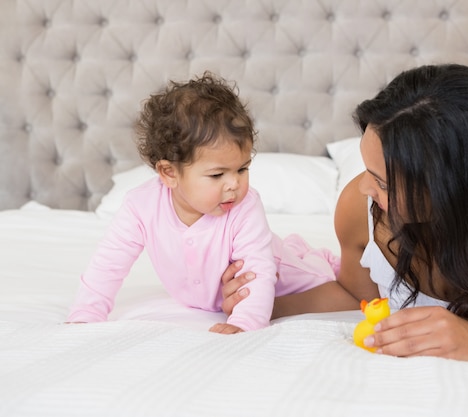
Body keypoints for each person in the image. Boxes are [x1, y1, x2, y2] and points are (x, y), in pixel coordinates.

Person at [219, 63, 468, 359]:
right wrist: (264, 300)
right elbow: (355, 295)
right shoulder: (359, 208)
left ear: (457, 189)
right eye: (366, 169)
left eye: (384, 182)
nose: (362, 188)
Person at [67, 72, 337, 334]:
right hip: (216, 299)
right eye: (217, 174)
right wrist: (86, 314)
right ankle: (297, 247)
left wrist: (246, 321)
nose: (234, 184)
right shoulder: (141, 207)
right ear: (169, 173)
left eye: (242, 169)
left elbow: (258, 271)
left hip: (285, 277)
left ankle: (316, 259)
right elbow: (107, 265)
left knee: (322, 276)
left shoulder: (245, 207)